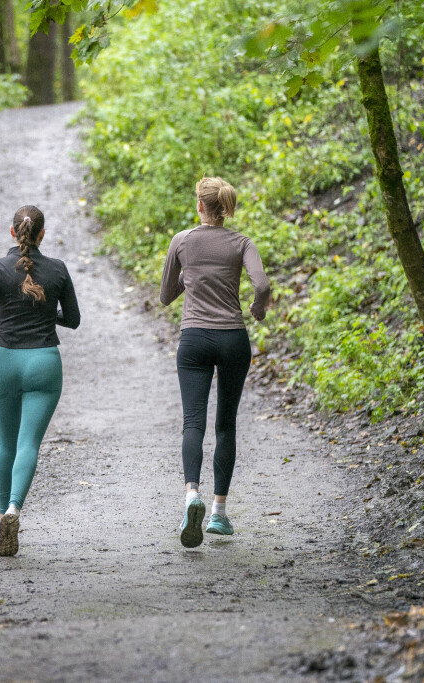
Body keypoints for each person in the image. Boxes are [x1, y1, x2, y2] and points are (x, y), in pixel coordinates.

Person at [0, 205, 80, 557]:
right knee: (29, 445)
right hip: (44, 363)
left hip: (5, 362)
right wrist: (44, 309)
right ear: (42, 235)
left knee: (5, 444)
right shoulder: (57, 269)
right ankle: (13, 510)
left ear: (12, 233)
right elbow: (73, 319)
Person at [160, 177, 271, 548]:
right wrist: (257, 308)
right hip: (232, 339)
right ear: (224, 208)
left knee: (194, 421)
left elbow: (165, 295)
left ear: (200, 207)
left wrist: (187, 278)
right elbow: (262, 284)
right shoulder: (242, 243)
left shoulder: (182, 241)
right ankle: (219, 514)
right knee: (226, 424)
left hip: (194, 339)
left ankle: (192, 494)